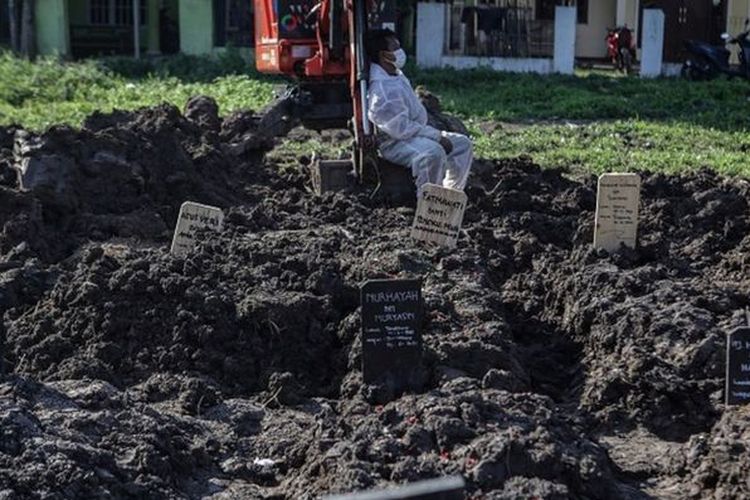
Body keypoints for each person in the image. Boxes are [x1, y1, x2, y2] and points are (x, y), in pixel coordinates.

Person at [365, 29, 473, 196]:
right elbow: (401, 129)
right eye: (395, 48)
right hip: (395, 142)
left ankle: (451, 196)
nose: (400, 52)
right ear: (383, 55)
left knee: (463, 144)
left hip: (414, 133)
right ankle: (429, 204)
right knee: (432, 153)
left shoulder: (394, 75)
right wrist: (436, 137)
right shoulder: (383, 91)